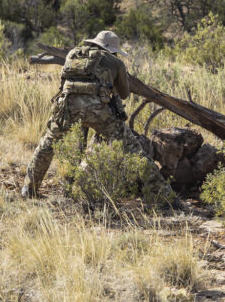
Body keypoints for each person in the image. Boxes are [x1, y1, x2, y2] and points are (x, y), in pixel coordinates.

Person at [22, 30, 175, 207]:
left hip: (67, 108)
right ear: (111, 49)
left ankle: (29, 188)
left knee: (48, 144)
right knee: (133, 150)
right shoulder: (115, 62)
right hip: (100, 112)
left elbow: (63, 82)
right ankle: (163, 197)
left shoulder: (73, 53)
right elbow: (124, 94)